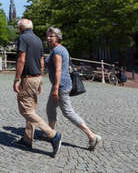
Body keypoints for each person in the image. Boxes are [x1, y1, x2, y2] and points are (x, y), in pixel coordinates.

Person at [45, 27, 102, 151]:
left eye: (51, 36)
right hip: (61, 85)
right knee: (50, 109)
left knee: (68, 112)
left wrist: (55, 88)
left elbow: (59, 70)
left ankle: (92, 136)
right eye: (48, 36)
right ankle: (50, 133)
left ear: (58, 37)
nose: (48, 38)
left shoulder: (57, 51)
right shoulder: (60, 49)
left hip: (60, 86)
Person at [13, 18, 62, 157]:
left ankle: (53, 135)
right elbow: (41, 60)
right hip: (37, 77)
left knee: (26, 110)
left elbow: (21, 59)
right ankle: (27, 139)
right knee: (31, 108)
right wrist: (40, 80)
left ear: (20, 28)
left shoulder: (22, 38)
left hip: (28, 78)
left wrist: (16, 79)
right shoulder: (38, 40)